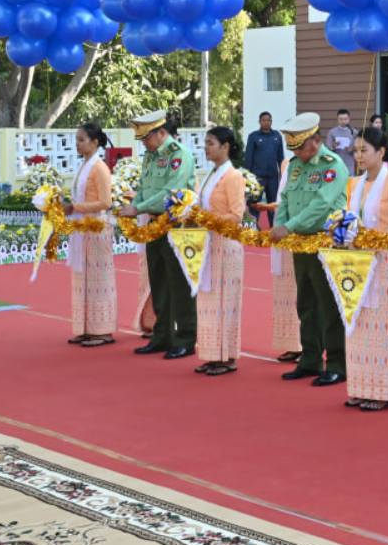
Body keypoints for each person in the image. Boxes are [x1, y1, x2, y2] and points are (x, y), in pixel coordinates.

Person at [271, 112, 351, 386]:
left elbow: (321, 205)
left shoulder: (333, 166)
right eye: (293, 149)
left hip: (325, 243)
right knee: (306, 303)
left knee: (328, 305)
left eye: (300, 148)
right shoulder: (295, 165)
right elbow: (285, 198)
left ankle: (337, 364)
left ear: (316, 141)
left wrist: (289, 226)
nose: (296, 153)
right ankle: (310, 359)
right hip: (300, 244)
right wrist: (280, 224)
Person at [118, 110, 197, 359]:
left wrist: (138, 208)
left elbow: (170, 191)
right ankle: (162, 335)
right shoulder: (150, 156)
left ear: (161, 132)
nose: (143, 143)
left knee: (179, 284)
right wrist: (133, 205)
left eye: (146, 138)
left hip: (175, 225)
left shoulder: (179, 155)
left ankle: (185, 338)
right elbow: (143, 187)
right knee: (159, 282)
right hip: (153, 224)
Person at [345, 127, 388, 411]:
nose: (358, 156)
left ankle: (384, 391)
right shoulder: (355, 184)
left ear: (381, 152)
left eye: (364, 150)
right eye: (355, 151)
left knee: (383, 331)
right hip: (356, 264)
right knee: (358, 327)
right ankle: (361, 387)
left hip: (385, 265)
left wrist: (373, 238)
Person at [192, 126, 247, 377]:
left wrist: (207, 219)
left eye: (211, 143)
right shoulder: (210, 174)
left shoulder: (232, 176)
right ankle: (213, 353)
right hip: (209, 245)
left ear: (225, 147)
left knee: (225, 302)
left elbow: (236, 215)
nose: (206, 148)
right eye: (205, 143)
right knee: (209, 301)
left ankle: (226, 356)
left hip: (226, 245)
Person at [64, 121, 115, 348]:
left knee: (98, 280)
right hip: (82, 229)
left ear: (95, 143)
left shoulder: (99, 168)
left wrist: (75, 207)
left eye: (82, 140)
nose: (77, 144)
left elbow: (105, 202)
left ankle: (102, 330)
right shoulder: (85, 165)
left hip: (96, 229)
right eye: (76, 140)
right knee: (82, 279)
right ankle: (86, 328)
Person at [262, 158, 301, 363]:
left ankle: (306, 345)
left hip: (299, 234)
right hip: (282, 233)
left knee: (302, 295)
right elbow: (283, 198)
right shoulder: (287, 162)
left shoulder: (316, 164)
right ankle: (292, 344)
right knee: (285, 294)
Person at [245, 111, 285, 230]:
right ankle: (253, 228)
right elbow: (248, 157)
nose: (266, 122)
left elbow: (281, 157)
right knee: (254, 203)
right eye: (264, 120)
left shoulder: (277, 136)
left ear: (271, 122)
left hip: (273, 177)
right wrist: (248, 177)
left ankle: (274, 227)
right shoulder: (253, 136)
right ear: (260, 122)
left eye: (269, 120)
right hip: (257, 177)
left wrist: (282, 174)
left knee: (273, 203)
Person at [326, 109, 358, 175]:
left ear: (349, 119)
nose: (343, 121)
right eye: (340, 119)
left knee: (349, 180)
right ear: (337, 119)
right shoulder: (332, 132)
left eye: (345, 119)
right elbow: (327, 148)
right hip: (336, 163)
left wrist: (352, 149)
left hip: (349, 162)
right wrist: (333, 146)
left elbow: (359, 147)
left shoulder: (354, 132)